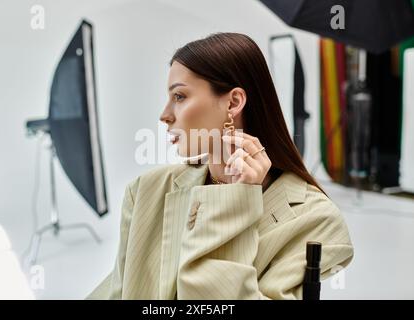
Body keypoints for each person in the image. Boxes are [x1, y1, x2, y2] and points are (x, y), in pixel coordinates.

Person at [87, 32, 353, 300]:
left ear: (233, 102)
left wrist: (234, 200)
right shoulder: (145, 191)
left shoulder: (317, 219)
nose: (165, 115)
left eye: (179, 96)